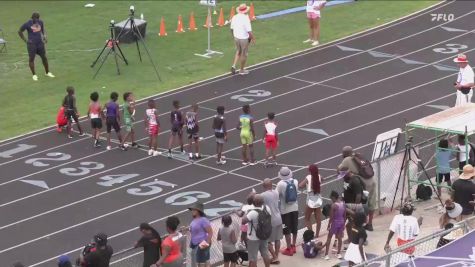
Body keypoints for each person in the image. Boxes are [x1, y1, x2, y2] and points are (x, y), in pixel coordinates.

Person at [339, 146, 376, 231]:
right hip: (371, 181)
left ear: (344, 154)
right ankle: (369, 224)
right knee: (371, 203)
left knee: (360, 203)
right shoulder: (359, 156)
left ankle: (359, 223)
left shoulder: (346, 160)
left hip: (361, 183)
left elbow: (340, 170)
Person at [18, 12, 55, 81]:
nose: (37, 20)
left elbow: (42, 30)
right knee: (31, 59)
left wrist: (44, 36)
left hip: (40, 43)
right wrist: (26, 40)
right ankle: (34, 75)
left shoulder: (40, 22)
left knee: (44, 58)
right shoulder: (27, 24)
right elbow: (19, 31)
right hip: (32, 45)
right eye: (36, 19)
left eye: (38, 19)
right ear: (32, 18)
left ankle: (47, 72)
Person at [242, 194, 271, 267]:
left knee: (253, 258)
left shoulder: (252, 212)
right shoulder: (267, 208)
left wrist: (247, 211)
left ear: (253, 202)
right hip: (264, 235)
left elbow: (244, 221)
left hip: (253, 238)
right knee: (265, 254)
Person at [276, 167, 299, 256]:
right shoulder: (295, 181)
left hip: (285, 210)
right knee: (294, 227)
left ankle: (289, 248)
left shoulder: (280, 184)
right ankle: (294, 245)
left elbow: (276, 195)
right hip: (295, 208)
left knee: (286, 229)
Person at [338, 167, 363, 242]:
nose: (343, 178)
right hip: (347, 205)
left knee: (352, 225)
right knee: (349, 225)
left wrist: (354, 207)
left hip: (353, 206)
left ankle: (357, 239)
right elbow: (346, 190)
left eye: (343, 176)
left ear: (347, 173)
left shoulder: (355, 181)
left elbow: (358, 195)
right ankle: (352, 239)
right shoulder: (347, 179)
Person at [261, 178, 283, 264]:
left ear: (264, 186)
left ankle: (274, 257)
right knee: (277, 239)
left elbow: (256, 199)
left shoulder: (263, 195)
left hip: (270, 220)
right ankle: (276, 256)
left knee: (268, 241)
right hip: (278, 218)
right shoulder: (276, 192)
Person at [230, 3, 255, 75]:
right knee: (244, 54)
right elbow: (249, 31)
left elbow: (231, 29)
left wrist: (233, 36)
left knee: (238, 50)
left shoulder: (234, 17)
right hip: (244, 38)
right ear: (246, 11)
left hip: (236, 37)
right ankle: (241, 70)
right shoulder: (246, 18)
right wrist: (253, 38)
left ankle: (234, 66)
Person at [298, 164, 323, 237]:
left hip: (311, 200)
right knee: (318, 218)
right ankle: (317, 234)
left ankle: (311, 234)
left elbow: (300, 185)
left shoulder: (308, 177)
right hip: (318, 199)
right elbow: (323, 179)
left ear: (310, 171)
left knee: (307, 218)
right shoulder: (319, 176)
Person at [188, 203, 213, 267]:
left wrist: (206, 244)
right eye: (192, 210)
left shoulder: (203, 220)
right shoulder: (194, 221)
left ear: (199, 211)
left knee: (201, 263)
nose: (192, 211)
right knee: (204, 262)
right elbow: (193, 231)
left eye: (194, 210)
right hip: (196, 245)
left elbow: (210, 232)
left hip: (202, 244)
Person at [323, 191, 345, 260]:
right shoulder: (343, 204)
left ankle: (326, 254)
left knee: (329, 237)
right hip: (341, 222)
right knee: (339, 238)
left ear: (333, 197)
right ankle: (338, 253)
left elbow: (331, 217)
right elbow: (344, 215)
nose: (331, 200)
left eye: (331, 199)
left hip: (335, 223)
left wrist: (329, 225)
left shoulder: (333, 206)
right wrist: (343, 224)